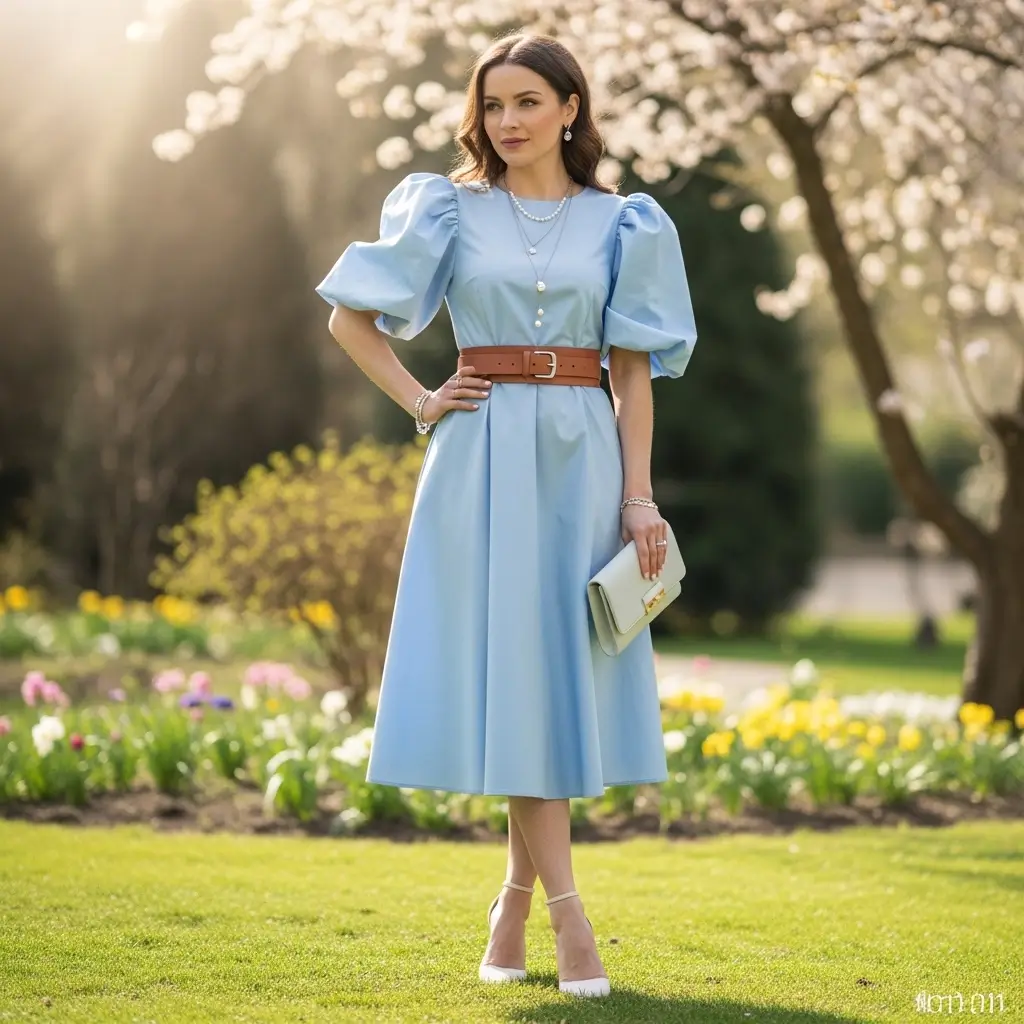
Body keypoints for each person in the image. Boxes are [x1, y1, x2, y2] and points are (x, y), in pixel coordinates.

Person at [315, 31, 697, 999]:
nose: (509, 121)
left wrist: (637, 493)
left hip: (581, 456)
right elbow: (348, 318)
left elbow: (631, 373)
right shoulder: (447, 208)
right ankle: (570, 921)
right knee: (517, 674)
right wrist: (419, 399)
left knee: (549, 676)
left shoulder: (625, 222)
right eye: (493, 106)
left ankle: (514, 903)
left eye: (528, 101)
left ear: (570, 108)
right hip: (478, 456)